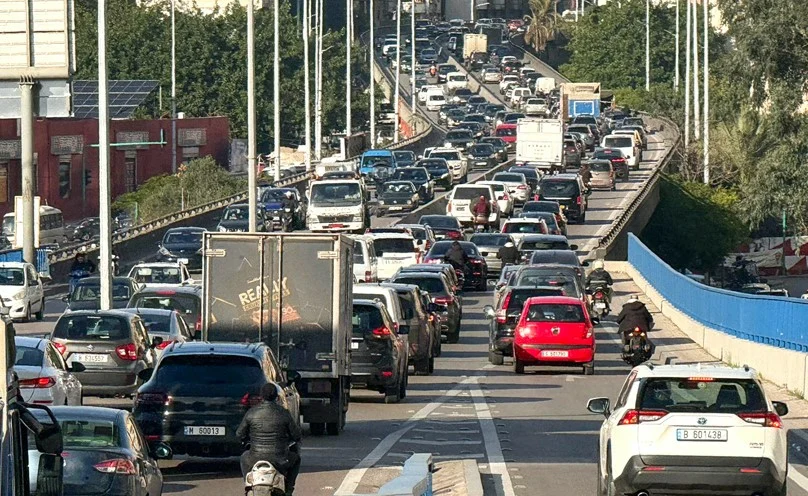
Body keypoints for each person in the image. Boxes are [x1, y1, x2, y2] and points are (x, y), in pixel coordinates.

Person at [237, 383, 303, 495]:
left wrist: (247, 440)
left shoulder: (252, 412)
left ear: (261, 396)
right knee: (296, 459)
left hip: (254, 458)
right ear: (276, 397)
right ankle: (289, 489)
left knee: (243, 457)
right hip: (280, 459)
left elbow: (239, 434)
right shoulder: (284, 413)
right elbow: (296, 435)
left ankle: (248, 484)